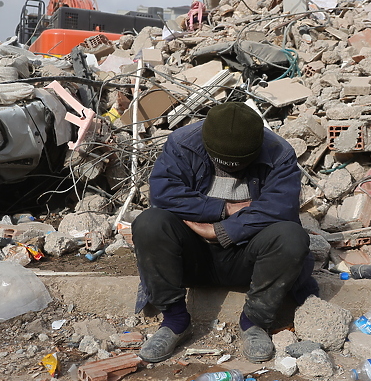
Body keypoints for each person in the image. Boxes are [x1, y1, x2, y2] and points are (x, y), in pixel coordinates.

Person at [132, 101, 317, 363]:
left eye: (238, 164)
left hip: (248, 258)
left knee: (291, 236)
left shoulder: (278, 153)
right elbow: (164, 195)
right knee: (150, 223)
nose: (230, 169)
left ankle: (254, 323)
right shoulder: (183, 143)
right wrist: (225, 209)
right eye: (222, 162)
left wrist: (222, 231)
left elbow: (280, 208)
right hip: (192, 257)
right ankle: (175, 321)